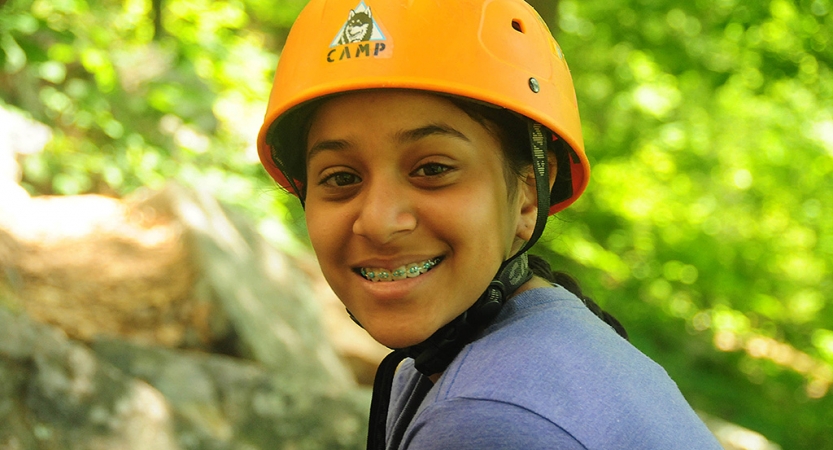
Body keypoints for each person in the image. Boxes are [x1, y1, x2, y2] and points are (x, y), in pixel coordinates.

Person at [257, 1, 723, 449]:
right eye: (341, 178)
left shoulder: (488, 416)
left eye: (433, 169)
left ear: (527, 194)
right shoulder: (552, 348)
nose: (379, 222)